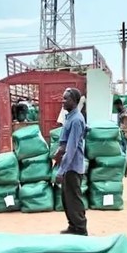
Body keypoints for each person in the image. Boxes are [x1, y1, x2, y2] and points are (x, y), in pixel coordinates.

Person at [54, 87, 88, 236]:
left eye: (66, 98)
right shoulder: (70, 117)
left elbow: (72, 148)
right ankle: (73, 226)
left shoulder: (76, 120)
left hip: (72, 167)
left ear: (74, 101)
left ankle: (80, 228)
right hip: (68, 165)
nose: (63, 101)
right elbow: (64, 143)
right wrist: (58, 152)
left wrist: (62, 170)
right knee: (66, 198)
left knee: (74, 199)